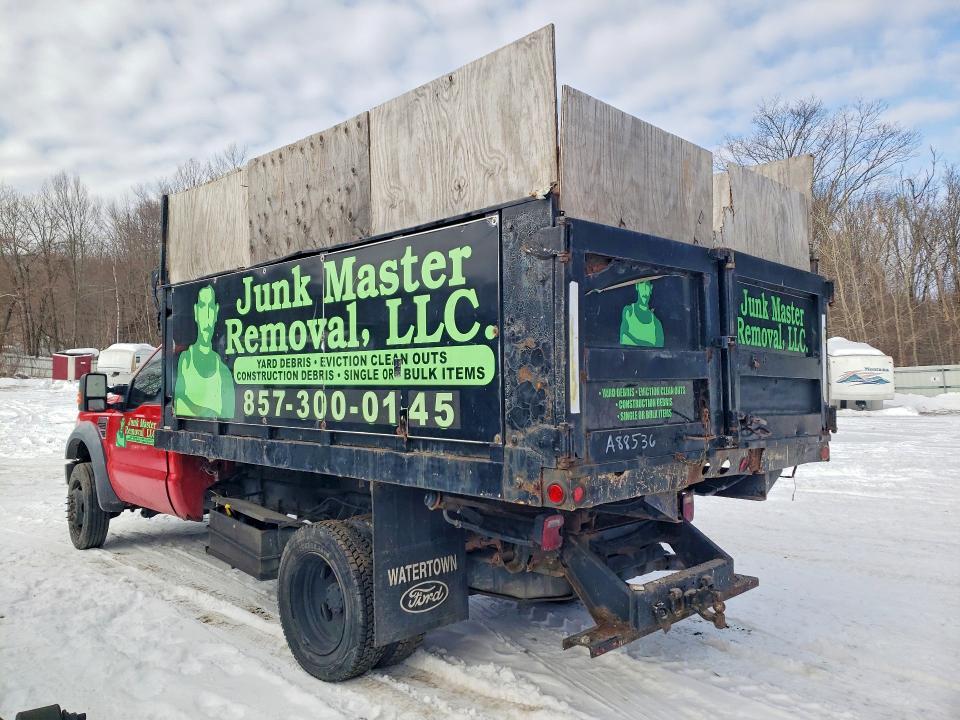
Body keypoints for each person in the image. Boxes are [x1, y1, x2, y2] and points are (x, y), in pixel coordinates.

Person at [174, 284, 235, 417]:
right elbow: (178, 404)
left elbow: (230, 417)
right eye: (202, 306)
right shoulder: (185, 361)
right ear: (196, 312)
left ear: (216, 312)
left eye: (211, 308)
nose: (207, 316)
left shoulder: (224, 373)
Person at [619, 280, 664, 348]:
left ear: (651, 289)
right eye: (642, 285)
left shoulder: (657, 324)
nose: (645, 291)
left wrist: (633, 340)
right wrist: (649, 344)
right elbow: (624, 338)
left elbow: (660, 349)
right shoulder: (629, 311)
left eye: (647, 286)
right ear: (637, 287)